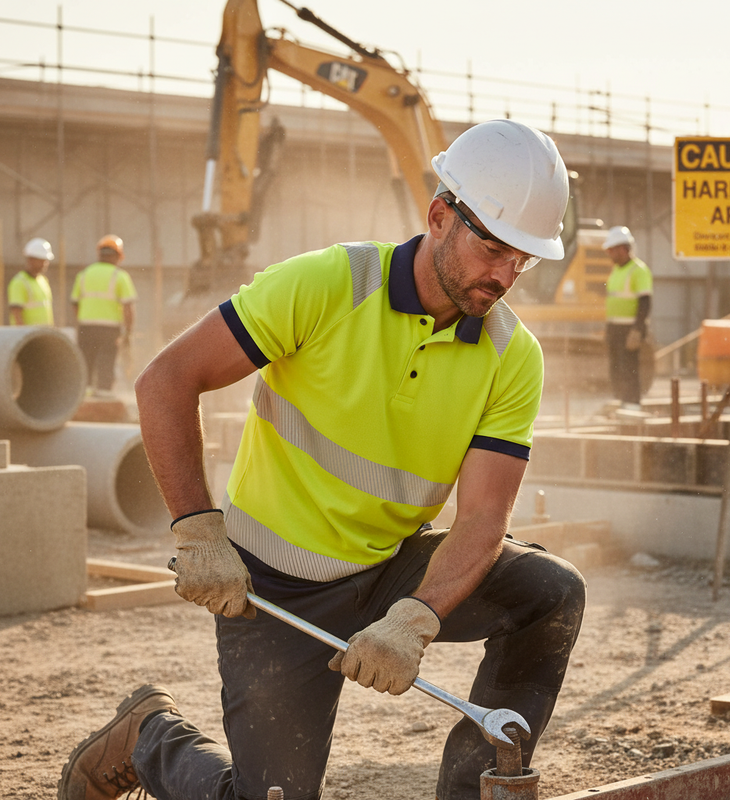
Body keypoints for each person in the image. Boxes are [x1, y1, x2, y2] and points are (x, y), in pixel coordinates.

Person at [57, 120, 587, 800]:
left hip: (389, 570)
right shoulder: (328, 285)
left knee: (552, 591)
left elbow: (484, 516)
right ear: (438, 215)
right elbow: (166, 379)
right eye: (495, 247)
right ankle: (150, 736)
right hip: (276, 588)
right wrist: (196, 527)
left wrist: (416, 616)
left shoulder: (512, 356)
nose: (508, 274)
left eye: (525, 258)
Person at [70, 235, 137, 397]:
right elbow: (128, 308)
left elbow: (74, 303)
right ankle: (104, 398)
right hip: (110, 329)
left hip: (86, 327)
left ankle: (82, 398)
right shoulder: (120, 276)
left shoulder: (84, 274)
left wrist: (82, 321)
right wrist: (128, 332)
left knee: (85, 363)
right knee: (106, 363)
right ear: (117, 256)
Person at [603, 225, 653, 410]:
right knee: (616, 367)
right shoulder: (617, 270)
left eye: (612, 249)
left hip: (629, 328)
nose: (609, 253)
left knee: (629, 366)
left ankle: (632, 403)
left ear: (623, 249)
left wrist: (637, 330)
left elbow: (645, 303)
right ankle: (621, 399)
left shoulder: (639, 270)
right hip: (615, 327)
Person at [7, 237, 55, 326]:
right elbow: (16, 314)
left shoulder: (43, 281)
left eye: (46, 261)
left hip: (43, 335)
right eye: (41, 260)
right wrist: (25, 337)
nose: (45, 264)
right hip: (29, 336)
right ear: (31, 260)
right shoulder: (19, 282)